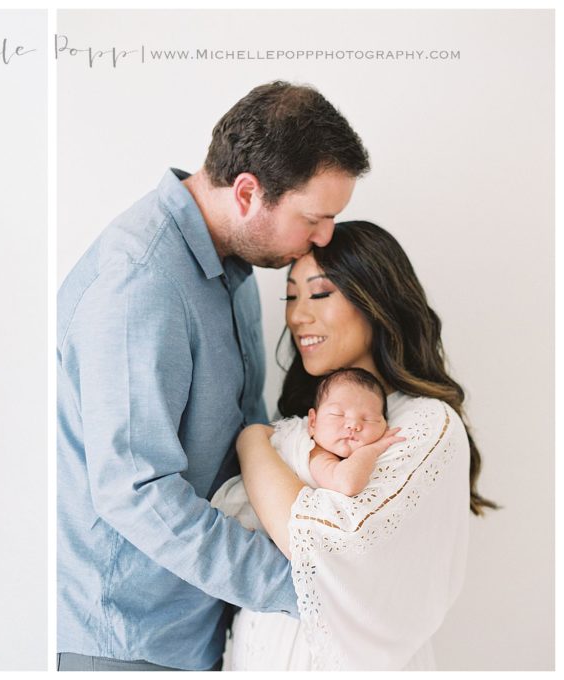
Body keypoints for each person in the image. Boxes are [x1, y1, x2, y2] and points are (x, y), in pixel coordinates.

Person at [56, 81, 370, 671]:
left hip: (201, 628)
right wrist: (302, 588)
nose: (325, 238)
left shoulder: (238, 268)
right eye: (316, 217)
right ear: (248, 192)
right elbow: (134, 489)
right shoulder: (140, 284)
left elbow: (243, 444)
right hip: (123, 638)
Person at [224, 220, 497, 671]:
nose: (296, 315)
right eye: (290, 296)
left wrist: (253, 443)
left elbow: (328, 538)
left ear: (376, 301)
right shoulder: (301, 423)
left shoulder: (427, 423)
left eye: (319, 293)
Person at [212, 367, 404, 535]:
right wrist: (373, 449)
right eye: (338, 414)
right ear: (312, 422)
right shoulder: (317, 453)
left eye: (369, 419)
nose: (353, 425)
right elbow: (347, 483)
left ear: (385, 425)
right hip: (239, 519)